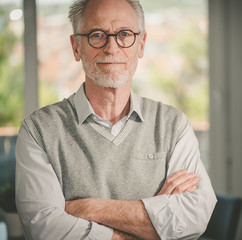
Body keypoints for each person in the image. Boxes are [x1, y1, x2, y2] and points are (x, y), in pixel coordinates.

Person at [15, 0, 216, 239]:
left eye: (124, 34)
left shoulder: (173, 125)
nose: (112, 47)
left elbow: (195, 216)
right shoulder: (38, 130)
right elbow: (45, 229)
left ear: (140, 44)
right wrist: (155, 219)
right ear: (76, 46)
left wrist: (89, 208)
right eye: (97, 35)